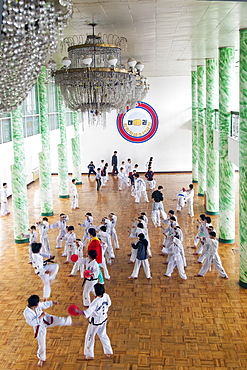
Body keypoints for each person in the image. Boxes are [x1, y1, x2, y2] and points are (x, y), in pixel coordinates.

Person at [23, 295, 72, 368]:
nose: (39, 303)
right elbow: (32, 323)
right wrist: (40, 317)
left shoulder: (37, 304)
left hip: (46, 318)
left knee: (58, 319)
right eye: (38, 302)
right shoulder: (27, 312)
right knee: (41, 344)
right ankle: (41, 358)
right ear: (35, 304)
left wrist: (53, 302)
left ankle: (68, 321)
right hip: (39, 327)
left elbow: (44, 304)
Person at [81, 283, 113, 360]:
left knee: (90, 337)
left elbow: (87, 313)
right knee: (103, 334)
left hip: (95, 321)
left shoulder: (95, 302)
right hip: (103, 318)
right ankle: (108, 351)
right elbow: (109, 304)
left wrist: (78, 311)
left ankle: (89, 354)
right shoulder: (106, 296)